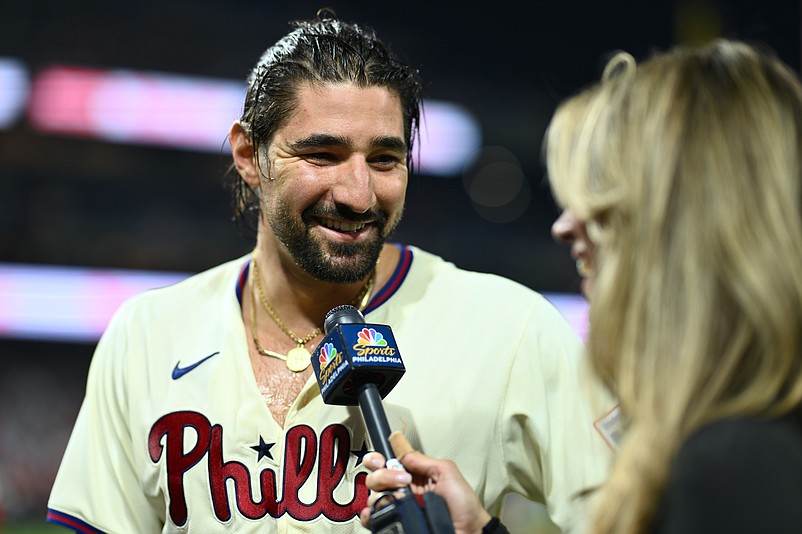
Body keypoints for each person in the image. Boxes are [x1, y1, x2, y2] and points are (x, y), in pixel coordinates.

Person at [45, 8, 616, 533]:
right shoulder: (145, 333)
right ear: (249, 155)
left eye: (385, 159)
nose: (358, 194)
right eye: (322, 155)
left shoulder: (512, 330)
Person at [362, 39, 802, 533]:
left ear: (689, 219)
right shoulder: (740, 442)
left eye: (602, 189)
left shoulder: (738, 464)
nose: (564, 226)